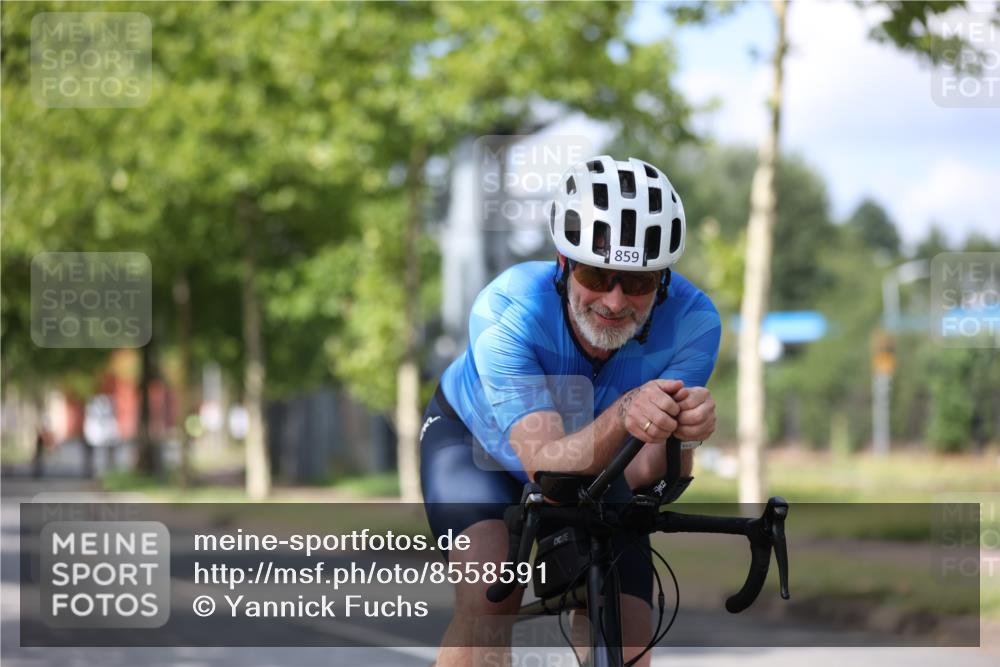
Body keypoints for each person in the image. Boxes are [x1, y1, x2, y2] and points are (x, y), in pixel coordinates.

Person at [420, 155, 721, 666]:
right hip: (477, 447)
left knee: (627, 633)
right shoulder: (510, 308)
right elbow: (549, 470)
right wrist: (626, 411)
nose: (615, 301)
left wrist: (683, 438)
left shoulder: (694, 323)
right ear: (563, 264)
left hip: (599, 462)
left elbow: (644, 473)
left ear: (664, 281)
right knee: (491, 598)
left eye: (639, 283)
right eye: (596, 274)